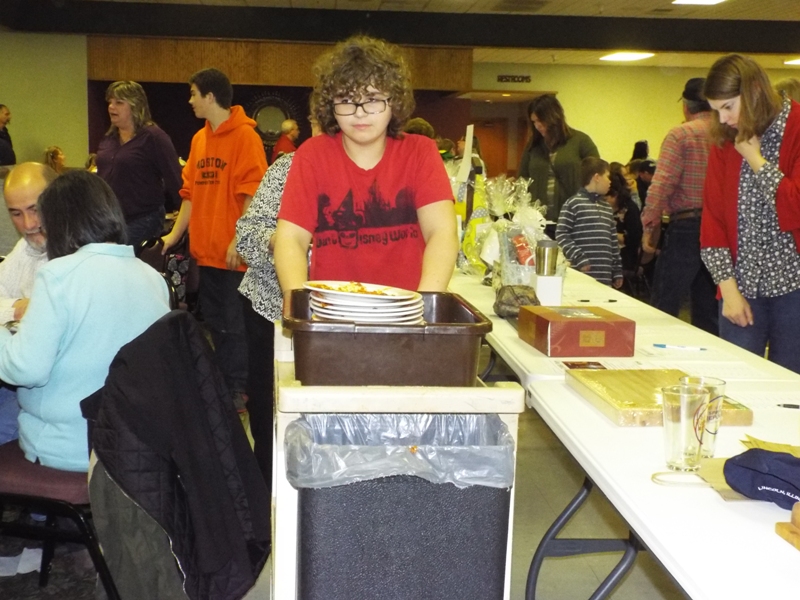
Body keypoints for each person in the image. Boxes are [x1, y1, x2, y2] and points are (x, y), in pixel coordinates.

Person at [0, 170, 171, 471]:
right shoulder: (152, 277)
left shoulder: (57, 276)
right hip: (135, 445)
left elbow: (24, 370)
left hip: (69, 447)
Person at [273, 35, 458, 295]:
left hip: (406, 310)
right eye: (346, 100)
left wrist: (425, 304)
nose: (359, 112)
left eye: (372, 99)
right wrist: (296, 304)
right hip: (331, 310)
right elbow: (290, 238)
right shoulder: (312, 155)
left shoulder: (420, 152)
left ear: (393, 101)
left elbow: (441, 233)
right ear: (331, 105)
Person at [162, 68, 267, 405]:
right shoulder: (199, 140)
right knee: (216, 325)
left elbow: (253, 193)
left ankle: (239, 390)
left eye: (194, 94)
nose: (190, 101)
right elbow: (189, 195)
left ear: (210, 96)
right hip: (206, 253)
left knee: (236, 327)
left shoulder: (246, 138)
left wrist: (240, 238)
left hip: (234, 256)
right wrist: (173, 235)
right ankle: (223, 386)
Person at [701, 54, 800, 374]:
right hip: (740, 287)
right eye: (717, 110)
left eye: (728, 106)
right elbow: (712, 219)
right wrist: (728, 290)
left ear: (754, 90)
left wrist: (756, 160)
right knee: (737, 380)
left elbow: (796, 206)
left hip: (794, 289)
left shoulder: (796, 127)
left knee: (791, 385)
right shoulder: (724, 137)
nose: (724, 118)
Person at [641, 77, 718, 336]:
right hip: (718, 228)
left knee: (665, 302)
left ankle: (657, 352)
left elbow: (662, 183)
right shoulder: (728, 134)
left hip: (685, 225)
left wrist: (649, 225)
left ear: (685, 106)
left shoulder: (680, 134)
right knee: (709, 307)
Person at [0, 162, 57, 445]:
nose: (28, 224)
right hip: (15, 375)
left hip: (45, 391)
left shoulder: (74, 253)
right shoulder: (25, 247)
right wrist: (19, 307)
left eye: (35, 209)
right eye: (16, 213)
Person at [96, 81, 183, 250]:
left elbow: (176, 180)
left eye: (119, 102)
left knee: (116, 254)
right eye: (110, 102)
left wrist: (183, 221)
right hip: (110, 220)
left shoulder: (153, 137)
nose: (111, 107)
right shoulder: (109, 139)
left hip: (143, 218)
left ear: (135, 106)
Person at [518, 94, 599, 223]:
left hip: (574, 216)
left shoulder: (580, 141)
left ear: (553, 118)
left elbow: (597, 175)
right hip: (538, 219)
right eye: (534, 122)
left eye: (540, 120)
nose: (537, 126)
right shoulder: (533, 146)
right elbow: (522, 178)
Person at [556, 157, 622, 288]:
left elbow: (613, 242)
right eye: (607, 177)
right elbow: (562, 234)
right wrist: (578, 257)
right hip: (581, 275)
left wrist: (617, 270)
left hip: (604, 276)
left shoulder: (607, 208)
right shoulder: (574, 203)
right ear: (597, 177)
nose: (610, 182)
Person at [606, 169, 642, 276]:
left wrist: (609, 233)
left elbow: (634, 240)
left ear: (615, 194)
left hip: (625, 257)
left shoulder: (630, 209)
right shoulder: (605, 208)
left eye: (606, 198)